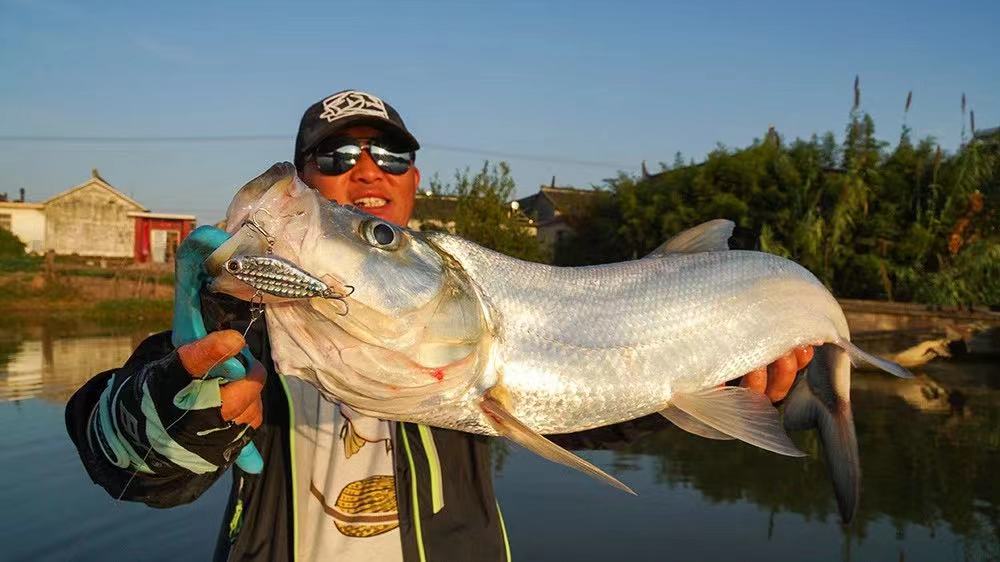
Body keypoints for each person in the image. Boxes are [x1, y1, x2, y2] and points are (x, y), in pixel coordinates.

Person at [66, 89, 813, 561]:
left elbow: (590, 414)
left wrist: (721, 384)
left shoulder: (467, 333)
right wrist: (174, 411)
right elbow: (119, 458)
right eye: (334, 157)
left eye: (391, 154)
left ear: (413, 183)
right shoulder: (241, 331)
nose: (368, 172)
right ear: (300, 181)